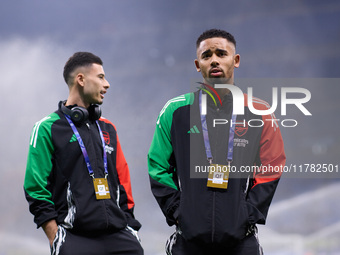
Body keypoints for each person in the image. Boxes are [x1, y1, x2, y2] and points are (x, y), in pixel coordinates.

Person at [147, 29, 286, 254]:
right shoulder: (175, 110)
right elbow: (158, 166)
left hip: (241, 242)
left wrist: (248, 213)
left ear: (236, 60)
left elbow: (273, 165)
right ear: (197, 64)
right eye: (206, 55)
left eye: (221, 53)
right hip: (188, 242)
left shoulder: (260, 112)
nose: (214, 60)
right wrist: (177, 211)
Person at [24, 52, 143, 255]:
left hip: (119, 238)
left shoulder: (108, 128)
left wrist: (130, 227)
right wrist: (55, 235)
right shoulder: (47, 128)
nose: (107, 84)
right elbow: (35, 187)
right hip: (74, 239)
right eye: (101, 77)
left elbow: (124, 182)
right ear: (80, 79)